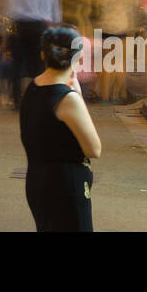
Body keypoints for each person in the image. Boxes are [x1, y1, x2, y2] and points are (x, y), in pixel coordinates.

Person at [19, 25, 103, 232]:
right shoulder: (67, 98)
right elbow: (94, 149)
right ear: (78, 58)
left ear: (43, 54)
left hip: (38, 182)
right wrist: (79, 96)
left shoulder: (33, 88)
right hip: (66, 187)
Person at [2, 0, 62, 109]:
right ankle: (38, 100)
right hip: (40, 26)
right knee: (38, 65)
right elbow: (55, 8)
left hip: (20, 24)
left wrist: (4, 33)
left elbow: (10, 7)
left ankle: (16, 99)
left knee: (17, 63)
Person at [92, 0, 142, 103]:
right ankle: (115, 95)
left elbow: (97, 1)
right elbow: (135, 3)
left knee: (106, 61)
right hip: (122, 24)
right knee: (120, 61)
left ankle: (105, 97)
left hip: (105, 24)